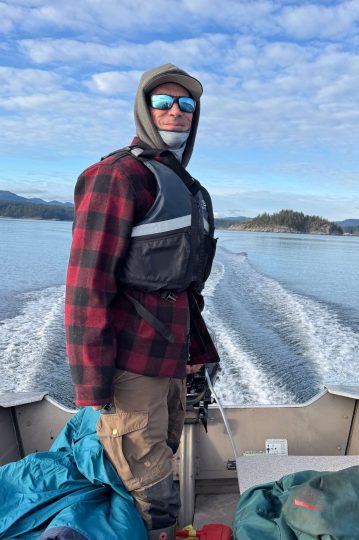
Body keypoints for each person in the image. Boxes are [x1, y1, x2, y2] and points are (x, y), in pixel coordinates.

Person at [65, 63, 219, 540]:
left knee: (164, 458)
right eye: (163, 102)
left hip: (170, 360)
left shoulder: (189, 190)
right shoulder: (117, 176)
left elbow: (184, 290)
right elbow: (86, 286)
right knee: (150, 487)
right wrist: (95, 391)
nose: (176, 111)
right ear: (143, 109)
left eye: (186, 104)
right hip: (130, 367)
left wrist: (196, 356)